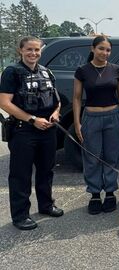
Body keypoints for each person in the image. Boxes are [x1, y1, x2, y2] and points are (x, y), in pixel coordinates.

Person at [0, 36, 64, 230]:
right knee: (21, 175)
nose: (33, 53)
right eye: (29, 49)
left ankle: (46, 205)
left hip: (47, 130)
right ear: (20, 50)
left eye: (36, 50)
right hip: (24, 131)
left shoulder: (46, 72)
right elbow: (4, 102)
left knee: (46, 171)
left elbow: (57, 100)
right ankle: (20, 216)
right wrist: (32, 119)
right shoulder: (12, 72)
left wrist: (55, 114)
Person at [73, 35, 119, 215]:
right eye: (101, 49)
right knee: (92, 157)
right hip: (91, 117)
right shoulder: (82, 70)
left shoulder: (116, 70)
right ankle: (95, 194)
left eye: (108, 50)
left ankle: (110, 192)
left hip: (114, 117)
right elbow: (76, 98)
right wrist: (77, 122)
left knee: (113, 156)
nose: (105, 53)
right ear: (93, 49)